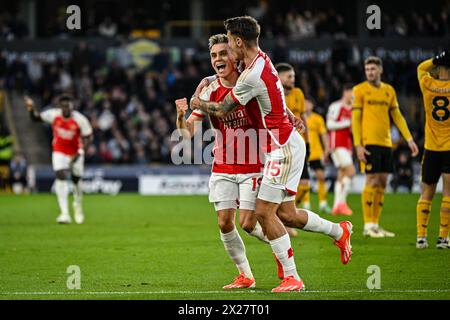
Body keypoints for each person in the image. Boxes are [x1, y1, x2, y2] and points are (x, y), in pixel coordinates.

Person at [191, 16, 352, 292]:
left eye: (229, 41)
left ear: (239, 41)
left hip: (283, 148)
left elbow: (221, 109)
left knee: (265, 213)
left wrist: (197, 102)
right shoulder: (261, 60)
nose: (228, 47)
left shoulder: (251, 75)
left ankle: (293, 277)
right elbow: (272, 96)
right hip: (284, 143)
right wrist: (289, 114)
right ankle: (339, 231)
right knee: (286, 214)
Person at [175, 34, 268, 289]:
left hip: (253, 163)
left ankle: (280, 242)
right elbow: (186, 133)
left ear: (234, 55)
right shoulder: (208, 89)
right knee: (224, 222)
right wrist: (181, 116)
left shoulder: (249, 81)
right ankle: (245, 275)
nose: (218, 59)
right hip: (223, 164)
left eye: (223, 53)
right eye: (214, 55)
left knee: (248, 224)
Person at [352, 56, 419, 238]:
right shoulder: (359, 90)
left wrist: (409, 139)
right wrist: (358, 145)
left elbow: (397, 117)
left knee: (382, 182)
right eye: (367, 70)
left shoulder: (389, 91)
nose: (370, 72)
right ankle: (367, 225)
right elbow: (355, 119)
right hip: (369, 143)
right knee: (371, 180)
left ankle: (375, 224)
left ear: (380, 70)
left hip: (386, 143)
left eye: (373, 69)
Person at [25, 95, 93, 224]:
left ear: (72, 106)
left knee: (76, 180)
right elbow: (36, 118)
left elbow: (88, 137)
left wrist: (79, 152)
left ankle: (77, 205)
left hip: (76, 152)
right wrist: (31, 108)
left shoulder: (80, 119)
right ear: (60, 107)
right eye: (63, 106)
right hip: (59, 151)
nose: (66, 108)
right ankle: (64, 213)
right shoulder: (53, 115)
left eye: (68, 106)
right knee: (60, 176)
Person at [416, 50, 450, 249]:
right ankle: (443, 238)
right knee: (448, 193)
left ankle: (421, 237)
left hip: (431, 148)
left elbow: (421, 67)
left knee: (426, 193)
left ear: (438, 69)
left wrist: (436, 59)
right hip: (449, 148)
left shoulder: (428, 84)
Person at [275, 63, 311, 215]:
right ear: (278, 77)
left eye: (293, 76)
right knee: (279, 186)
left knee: (304, 184)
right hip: (280, 147)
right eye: (289, 76)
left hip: (298, 146)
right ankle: (282, 217)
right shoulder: (274, 95)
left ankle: (286, 214)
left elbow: (303, 117)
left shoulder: (298, 93)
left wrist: (308, 142)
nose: (292, 79)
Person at [327, 83, 355, 215]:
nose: (353, 95)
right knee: (351, 171)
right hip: (337, 144)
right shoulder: (336, 106)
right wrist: (347, 123)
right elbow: (330, 124)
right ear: (345, 92)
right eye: (351, 92)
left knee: (342, 173)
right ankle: (342, 203)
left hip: (347, 145)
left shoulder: (353, 109)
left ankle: (336, 206)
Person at [304, 98, 331, 213]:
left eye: (308, 102)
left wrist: (326, 149)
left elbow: (324, 134)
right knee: (304, 180)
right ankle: (305, 203)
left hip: (316, 153)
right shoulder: (297, 118)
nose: (306, 105)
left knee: (321, 176)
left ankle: (323, 203)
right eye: (304, 103)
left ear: (312, 105)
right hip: (303, 153)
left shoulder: (318, 119)